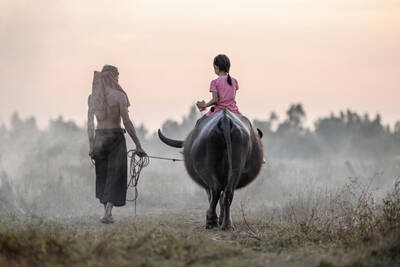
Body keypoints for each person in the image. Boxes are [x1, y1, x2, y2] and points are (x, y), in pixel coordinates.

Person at [87, 65, 147, 224]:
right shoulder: (120, 96)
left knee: (102, 175)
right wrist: (138, 145)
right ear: (113, 78)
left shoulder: (93, 98)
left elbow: (90, 125)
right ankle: (108, 212)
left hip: (100, 137)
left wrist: (91, 146)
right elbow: (127, 123)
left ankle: (106, 212)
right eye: (117, 78)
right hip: (115, 137)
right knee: (115, 175)